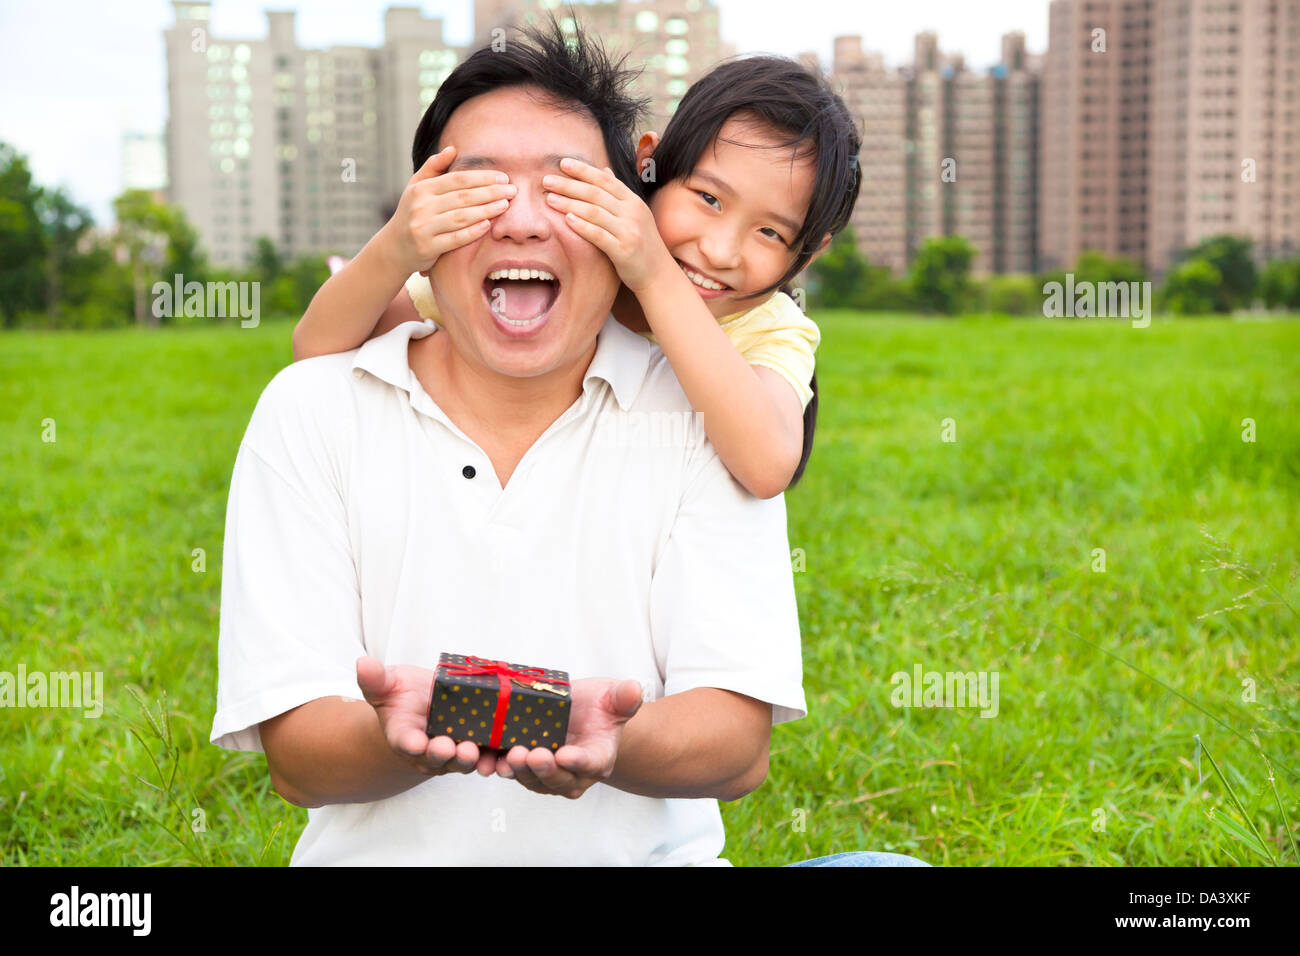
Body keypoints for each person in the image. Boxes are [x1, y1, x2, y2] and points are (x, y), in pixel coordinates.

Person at [211, 18, 926, 867]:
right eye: (477, 189)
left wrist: (609, 739)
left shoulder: (721, 397)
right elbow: (325, 347)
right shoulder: (319, 408)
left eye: (564, 189)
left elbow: (737, 743)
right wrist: (407, 728)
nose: (520, 221)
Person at [292, 55, 863, 500]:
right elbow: (317, 349)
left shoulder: (769, 326)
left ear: (807, 255)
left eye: (770, 234)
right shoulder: (578, 257)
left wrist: (655, 276)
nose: (719, 249)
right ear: (648, 165)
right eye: (709, 198)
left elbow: (766, 466)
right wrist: (395, 248)